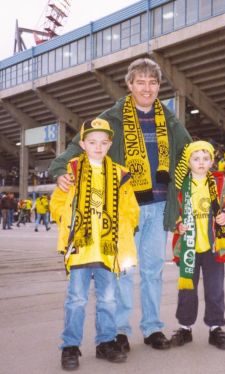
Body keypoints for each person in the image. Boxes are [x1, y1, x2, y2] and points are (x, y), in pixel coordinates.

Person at [49, 58, 192, 351]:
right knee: (124, 269)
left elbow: (190, 153)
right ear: (129, 85)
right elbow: (78, 145)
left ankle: (152, 328)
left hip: (160, 205)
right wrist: (61, 169)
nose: (147, 88)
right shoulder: (112, 118)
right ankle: (120, 330)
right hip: (125, 209)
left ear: (158, 86)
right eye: (140, 82)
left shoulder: (170, 119)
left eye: (152, 82)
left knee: (153, 270)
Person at [50, 118, 139, 370]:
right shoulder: (72, 172)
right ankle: (70, 346)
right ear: (83, 144)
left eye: (103, 142)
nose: (98, 147)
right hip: (80, 249)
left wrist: (124, 229)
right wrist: (67, 223)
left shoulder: (121, 174)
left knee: (108, 300)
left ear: (110, 144)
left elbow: (131, 209)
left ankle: (106, 342)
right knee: (76, 299)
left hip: (109, 249)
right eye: (92, 142)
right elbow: (56, 204)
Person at [170, 141, 225, 350]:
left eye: (205, 158)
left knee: (215, 289)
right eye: (196, 158)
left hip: (214, 247)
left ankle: (215, 328)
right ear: (188, 161)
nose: (201, 162)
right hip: (188, 246)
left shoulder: (220, 183)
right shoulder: (180, 184)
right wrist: (178, 224)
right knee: (187, 290)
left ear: (212, 161)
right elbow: (172, 209)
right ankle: (185, 327)